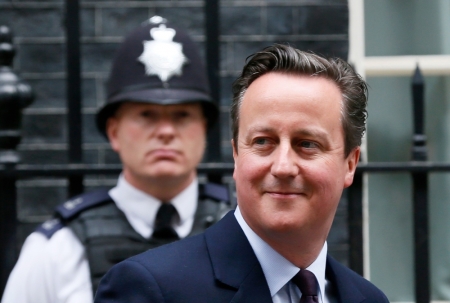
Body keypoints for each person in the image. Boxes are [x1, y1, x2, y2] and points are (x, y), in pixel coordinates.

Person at [94, 44, 389, 302]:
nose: (283, 166)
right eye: (263, 142)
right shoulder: (150, 289)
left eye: (307, 144)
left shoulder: (368, 299)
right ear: (236, 155)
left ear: (350, 164)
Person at [1, 16, 232, 303]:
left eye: (182, 115)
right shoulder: (58, 248)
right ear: (113, 131)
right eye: (146, 115)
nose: (166, 131)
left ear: (204, 130)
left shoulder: (240, 229)